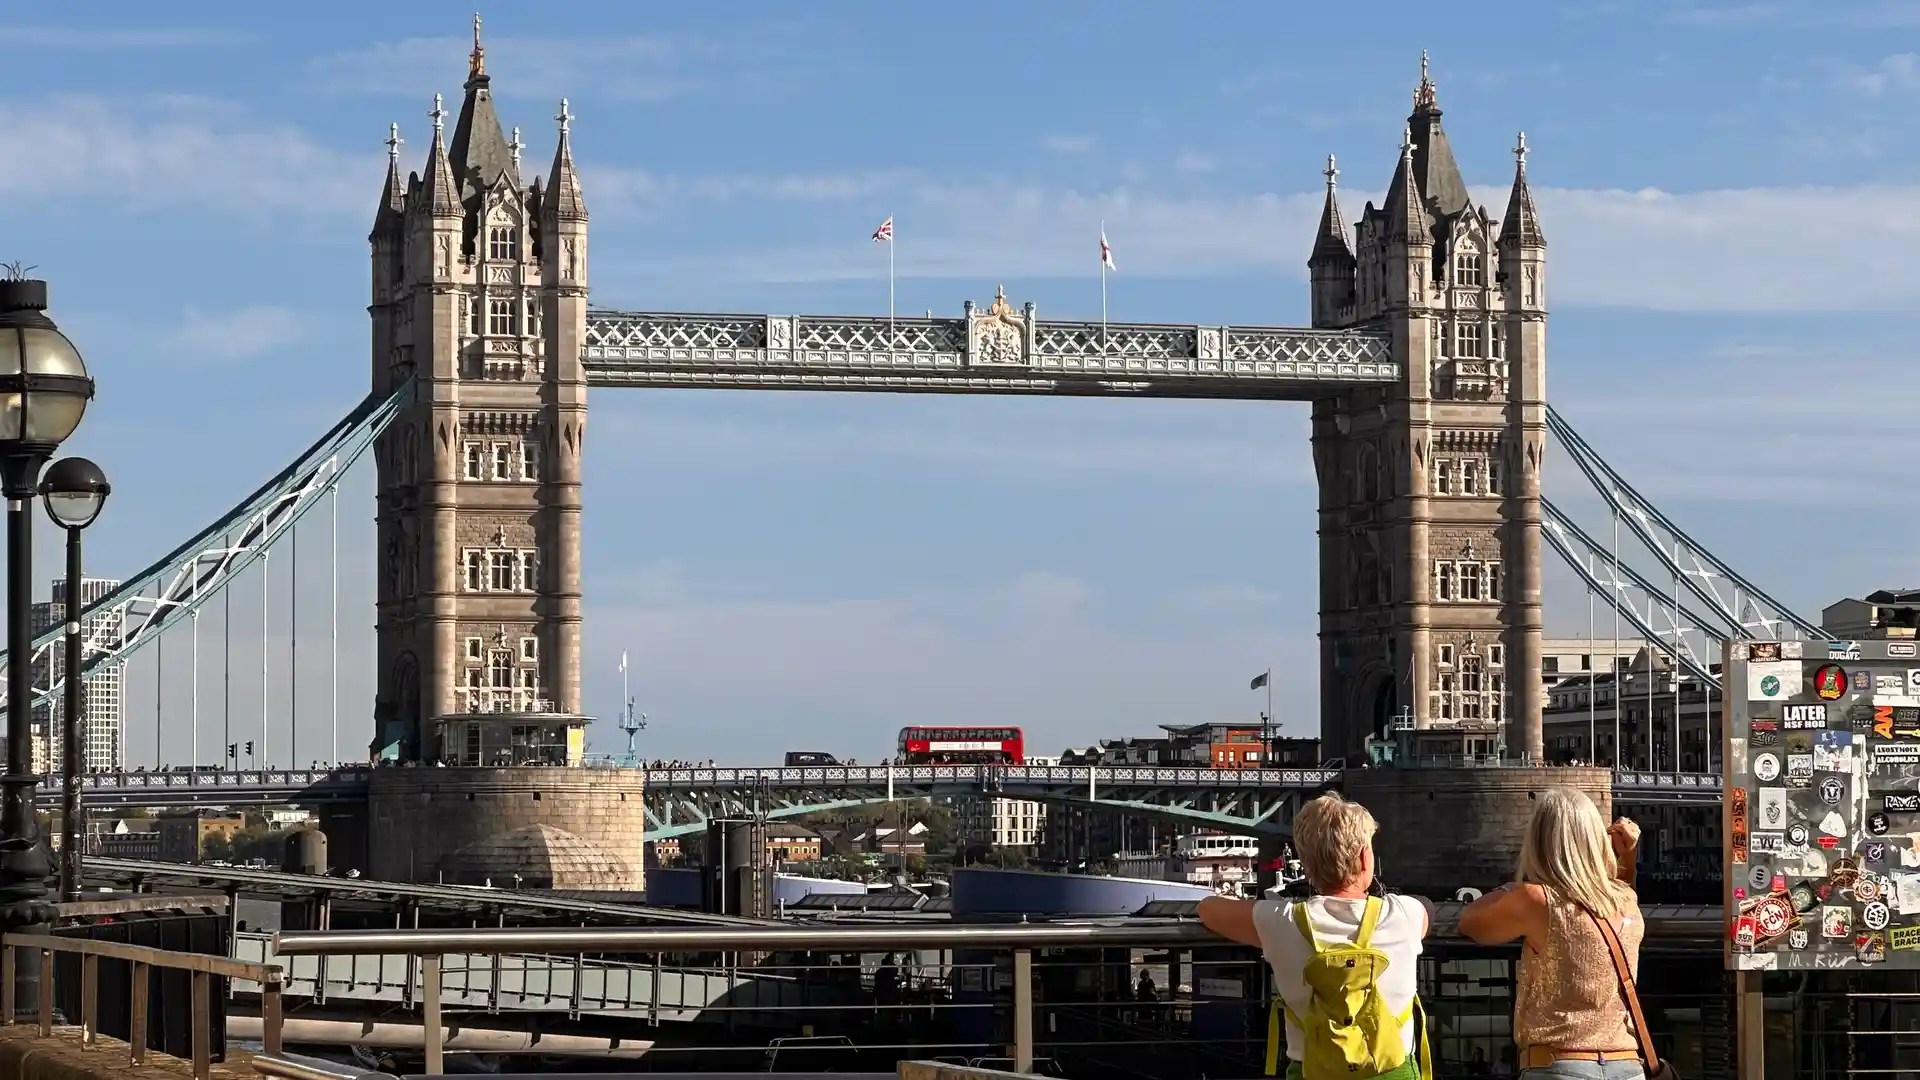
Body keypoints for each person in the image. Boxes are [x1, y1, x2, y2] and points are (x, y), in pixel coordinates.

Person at [1198, 793, 1430, 1080]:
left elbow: (1208, 909)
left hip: (1312, 1070)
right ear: (1363, 857)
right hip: (1392, 1070)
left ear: (1306, 864)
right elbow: (1427, 913)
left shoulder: (1280, 921)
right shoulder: (1405, 914)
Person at [1456, 787, 1646, 1080]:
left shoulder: (1537, 901)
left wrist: (1512, 889)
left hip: (1560, 1065)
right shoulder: (1626, 901)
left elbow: (1469, 921)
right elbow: (1606, 902)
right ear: (1596, 841)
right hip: (1628, 1066)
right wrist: (1624, 859)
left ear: (1539, 841)